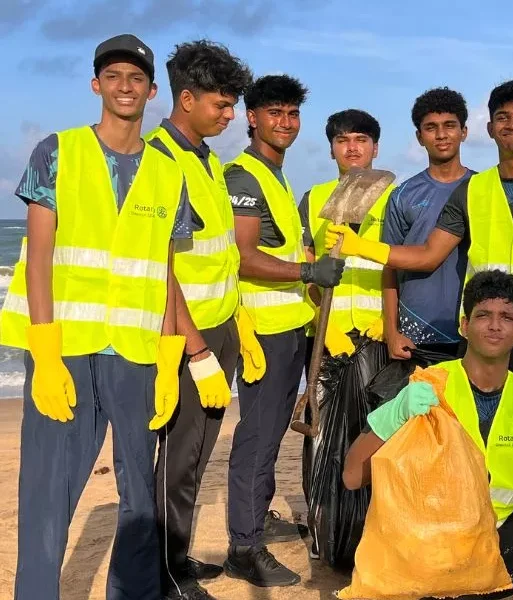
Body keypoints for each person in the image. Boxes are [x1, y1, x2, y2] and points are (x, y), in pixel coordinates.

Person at [0, 34, 196, 599]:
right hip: (67, 348)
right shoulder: (56, 152)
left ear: (152, 91)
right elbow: (39, 256)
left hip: (135, 355)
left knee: (140, 497)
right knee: (46, 491)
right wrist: (43, 349)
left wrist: (168, 357)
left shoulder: (167, 172)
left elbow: (163, 272)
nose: (125, 86)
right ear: (96, 86)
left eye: (136, 78)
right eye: (113, 76)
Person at [326, 79, 513, 407]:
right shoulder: (471, 190)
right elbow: (429, 255)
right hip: (484, 339)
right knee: (480, 439)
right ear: (489, 129)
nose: (512, 124)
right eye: (503, 117)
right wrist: (361, 247)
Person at [342, 269, 513, 600]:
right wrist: (394, 414)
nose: (495, 325)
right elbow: (353, 476)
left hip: (492, 547)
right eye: (483, 315)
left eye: (506, 317)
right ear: (464, 326)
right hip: (427, 550)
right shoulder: (428, 386)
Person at [223, 74, 344, 587]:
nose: (285, 123)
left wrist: (311, 273)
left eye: (292, 114)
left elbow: (283, 249)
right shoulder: (244, 177)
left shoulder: (277, 176)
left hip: (291, 326)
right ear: (252, 117)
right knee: (256, 438)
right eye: (274, 112)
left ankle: (256, 518)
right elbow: (244, 257)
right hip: (265, 333)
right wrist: (307, 273)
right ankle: (243, 548)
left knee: (271, 436)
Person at [144, 39, 254, 600]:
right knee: (179, 460)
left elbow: (217, 255)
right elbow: (161, 266)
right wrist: (196, 349)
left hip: (219, 330)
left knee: (197, 454)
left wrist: (236, 327)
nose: (230, 115)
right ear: (186, 98)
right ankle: (166, 575)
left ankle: (178, 558)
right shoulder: (162, 161)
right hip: (185, 339)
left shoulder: (204, 160)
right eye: (221, 104)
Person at [382, 88, 474, 361]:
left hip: (472, 331)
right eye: (431, 128)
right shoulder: (402, 195)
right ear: (419, 137)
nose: (442, 135)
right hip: (414, 334)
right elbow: (389, 268)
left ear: (464, 131)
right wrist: (391, 332)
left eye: (450, 126)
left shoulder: (483, 190)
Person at [300, 108, 395, 354]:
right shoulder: (314, 198)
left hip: (379, 331)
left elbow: (407, 266)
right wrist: (323, 323)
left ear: (375, 148)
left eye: (361, 140)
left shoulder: (397, 197)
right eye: (342, 141)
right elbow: (304, 267)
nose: (352, 148)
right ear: (332, 150)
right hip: (328, 332)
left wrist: (391, 320)